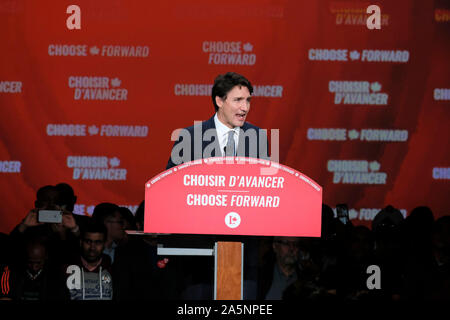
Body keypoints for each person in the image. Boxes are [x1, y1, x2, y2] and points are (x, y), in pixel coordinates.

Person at [166, 72, 268, 169]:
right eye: (238, 100)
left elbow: (265, 181)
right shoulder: (189, 138)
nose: (245, 108)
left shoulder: (258, 137)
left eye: (248, 100)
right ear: (219, 101)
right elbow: (172, 182)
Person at [63, 221, 113, 300]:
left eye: (98, 242)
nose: (92, 248)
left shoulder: (113, 269)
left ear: (104, 244)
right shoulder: (67, 268)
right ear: (81, 242)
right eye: (88, 242)